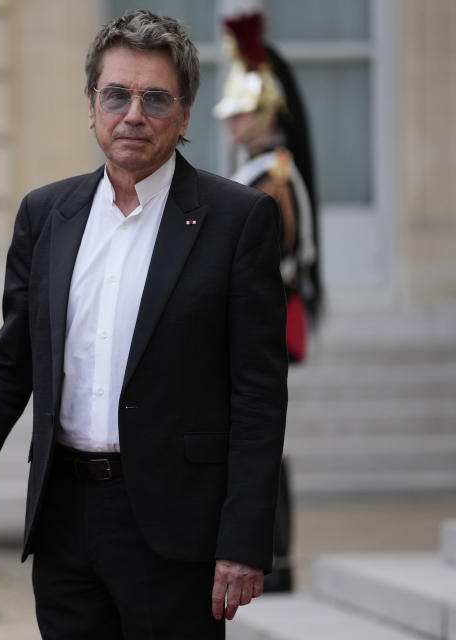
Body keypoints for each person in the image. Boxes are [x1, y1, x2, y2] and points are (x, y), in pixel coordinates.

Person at [0, 10, 288, 639]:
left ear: (185, 115)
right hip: (66, 523)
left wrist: (244, 538)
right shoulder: (46, 214)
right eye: (116, 94)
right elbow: (8, 366)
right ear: (92, 106)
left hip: (177, 531)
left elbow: (258, 392)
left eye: (155, 98)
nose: (133, 114)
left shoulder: (237, 220)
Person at [213, 11, 325, 592]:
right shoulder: (261, 171)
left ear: (266, 113)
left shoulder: (272, 178)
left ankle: (277, 557)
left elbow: (267, 261)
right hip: (264, 318)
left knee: (270, 439)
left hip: (268, 319)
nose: (233, 125)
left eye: (242, 113)